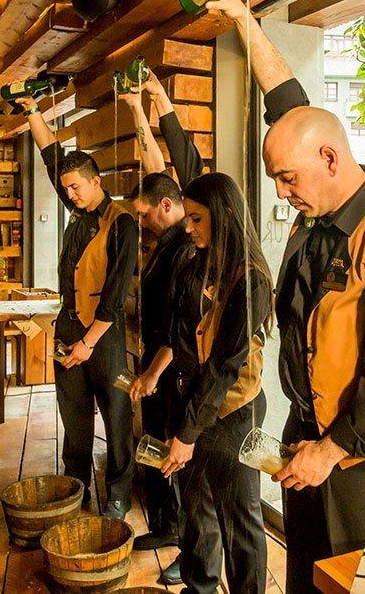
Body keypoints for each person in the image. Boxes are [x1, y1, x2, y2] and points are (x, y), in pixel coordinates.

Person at [206, 0, 365, 592]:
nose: (283, 193)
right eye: (277, 181)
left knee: (362, 584)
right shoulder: (320, 205)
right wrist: (243, 20)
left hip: (361, 460)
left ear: (330, 157)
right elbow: (285, 103)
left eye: (288, 179)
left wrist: (330, 450)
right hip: (306, 439)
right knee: (306, 580)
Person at [143, 169, 274, 594]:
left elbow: (224, 367)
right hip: (191, 403)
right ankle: (199, 587)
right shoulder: (197, 263)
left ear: (224, 215)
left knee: (240, 521)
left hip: (232, 412)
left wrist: (188, 432)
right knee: (196, 512)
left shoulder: (250, 277)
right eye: (188, 217)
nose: (188, 226)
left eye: (197, 219)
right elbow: (179, 339)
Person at [16, 94, 138, 520]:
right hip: (67, 333)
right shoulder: (76, 210)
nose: (70, 193)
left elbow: (115, 293)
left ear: (96, 181)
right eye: (66, 188)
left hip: (103, 339)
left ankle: (119, 493)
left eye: (76, 187)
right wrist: (34, 113)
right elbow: (52, 159)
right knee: (74, 418)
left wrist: (88, 342)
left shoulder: (120, 222)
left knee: (118, 418)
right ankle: (78, 486)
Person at [120, 75, 202, 586]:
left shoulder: (185, 246)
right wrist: (136, 107)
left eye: (147, 215)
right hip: (153, 363)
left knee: (177, 456)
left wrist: (152, 373)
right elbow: (156, 174)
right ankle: (168, 525)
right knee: (156, 449)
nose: (143, 222)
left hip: (171, 371)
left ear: (169, 209)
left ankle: (189, 546)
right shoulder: (166, 233)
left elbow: (181, 327)